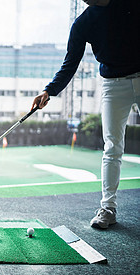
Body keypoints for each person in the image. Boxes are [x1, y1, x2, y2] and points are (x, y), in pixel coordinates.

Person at [32, 0, 140, 229]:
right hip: (113, 84)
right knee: (112, 146)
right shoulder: (83, 23)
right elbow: (71, 63)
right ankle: (108, 208)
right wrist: (49, 90)